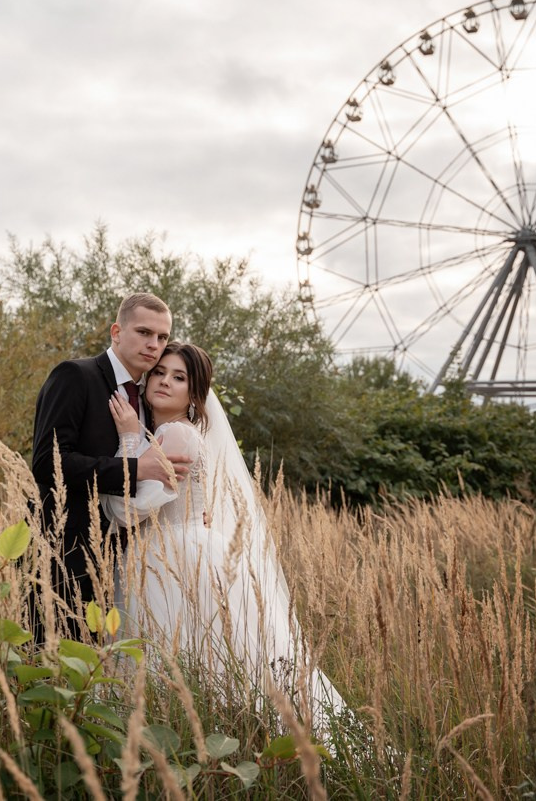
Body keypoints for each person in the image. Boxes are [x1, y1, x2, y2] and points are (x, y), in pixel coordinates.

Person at [104, 342, 346, 732]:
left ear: (195, 395)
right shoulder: (165, 432)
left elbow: (125, 510)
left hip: (175, 556)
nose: (165, 381)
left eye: (179, 378)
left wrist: (130, 438)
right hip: (168, 550)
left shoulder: (177, 435)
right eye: (160, 372)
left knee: (188, 657)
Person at [30, 292, 193, 638]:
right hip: (64, 555)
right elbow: (48, 464)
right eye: (144, 333)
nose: (154, 344)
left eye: (162, 337)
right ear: (116, 332)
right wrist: (136, 471)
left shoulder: (149, 396)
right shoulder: (76, 375)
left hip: (121, 565)